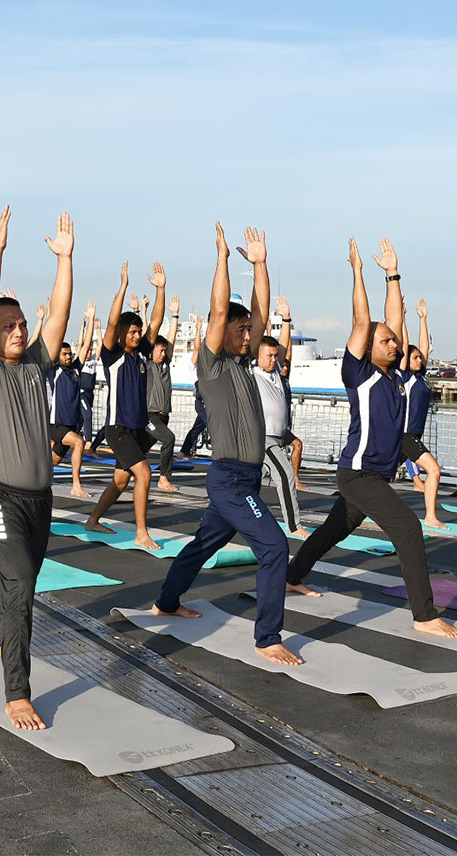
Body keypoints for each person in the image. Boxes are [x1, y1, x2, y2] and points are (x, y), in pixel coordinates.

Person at [286, 239, 457, 639]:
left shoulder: (398, 378)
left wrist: (393, 274)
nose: (394, 343)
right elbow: (363, 320)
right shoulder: (360, 374)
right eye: (385, 341)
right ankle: (424, 615)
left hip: (374, 477)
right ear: (367, 347)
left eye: (394, 341)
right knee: (408, 529)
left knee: (334, 529)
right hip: (358, 474)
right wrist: (358, 271)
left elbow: (394, 319)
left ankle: (291, 575)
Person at [152, 225, 310, 665]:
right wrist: (222, 259)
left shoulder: (246, 368)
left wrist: (260, 265)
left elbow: (258, 311)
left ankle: (166, 601)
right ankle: (268, 637)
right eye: (240, 331)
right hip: (228, 478)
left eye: (248, 331)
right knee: (275, 547)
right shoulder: (214, 365)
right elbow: (221, 310)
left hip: (244, 478)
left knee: (203, 545)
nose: (247, 336)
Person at [0, 206, 73, 731]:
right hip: (0, 497)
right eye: (9, 324)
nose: (18, 329)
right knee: (22, 581)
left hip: (40, 499)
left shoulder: (34, 364)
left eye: (22, 324)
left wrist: (65, 261)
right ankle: (17, 692)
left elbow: (59, 317)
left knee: (17, 577)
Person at [84, 262, 168, 549]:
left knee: (120, 481)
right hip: (117, 429)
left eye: (138, 332)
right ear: (122, 334)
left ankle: (93, 519)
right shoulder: (113, 355)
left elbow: (155, 322)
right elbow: (110, 324)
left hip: (136, 429)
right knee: (143, 473)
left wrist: (161, 289)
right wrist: (122, 287)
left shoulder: (141, 354)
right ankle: (141, 532)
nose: (136, 335)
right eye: (131, 332)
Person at [253, 297, 307, 536]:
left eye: (275, 356)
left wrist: (286, 319)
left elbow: (283, 348)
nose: (275, 360)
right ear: (257, 356)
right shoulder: (252, 372)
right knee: (285, 475)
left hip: (280, 435)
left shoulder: (275, 369)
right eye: (269, 356)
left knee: (250, 481)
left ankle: (224, 515)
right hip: (263, 438)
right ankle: (294, 526)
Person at [399, 299, 448, 529]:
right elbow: (405, 344)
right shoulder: (405, 376)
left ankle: (354, 508)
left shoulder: (419, 377)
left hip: (411, 437)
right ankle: (430, 516)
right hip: (405, 435)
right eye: (415, 357)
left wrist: (423, 319)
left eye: (420, 357)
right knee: (434, 470)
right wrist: (402, 316)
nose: (419, 359)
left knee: (376, 478)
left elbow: (423, 347)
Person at [47, 302, 95, 498]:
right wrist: (51, 313)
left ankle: (29, 474)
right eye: (65, 354)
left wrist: (91, 320)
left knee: (54, 460)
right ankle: (76, 485)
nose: (69, 357)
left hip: (71, 424)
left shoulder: (75, 369)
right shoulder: (54, 371)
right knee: (79, 443)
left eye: (70, 354)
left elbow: (86, 345)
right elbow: (49, 339)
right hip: (56, 424)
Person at [147, 298, 183, 492]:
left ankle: (127, 473)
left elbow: (171, 339)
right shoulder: (148, 365)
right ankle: (163, 478)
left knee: (140, 448)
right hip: (149, 415)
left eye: (164, 351)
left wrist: (175, 315)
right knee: (168, 439)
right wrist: (142, 311)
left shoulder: (165, 366)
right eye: (159, 351)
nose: (163, 354)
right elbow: (148, 335)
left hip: (163, 416)